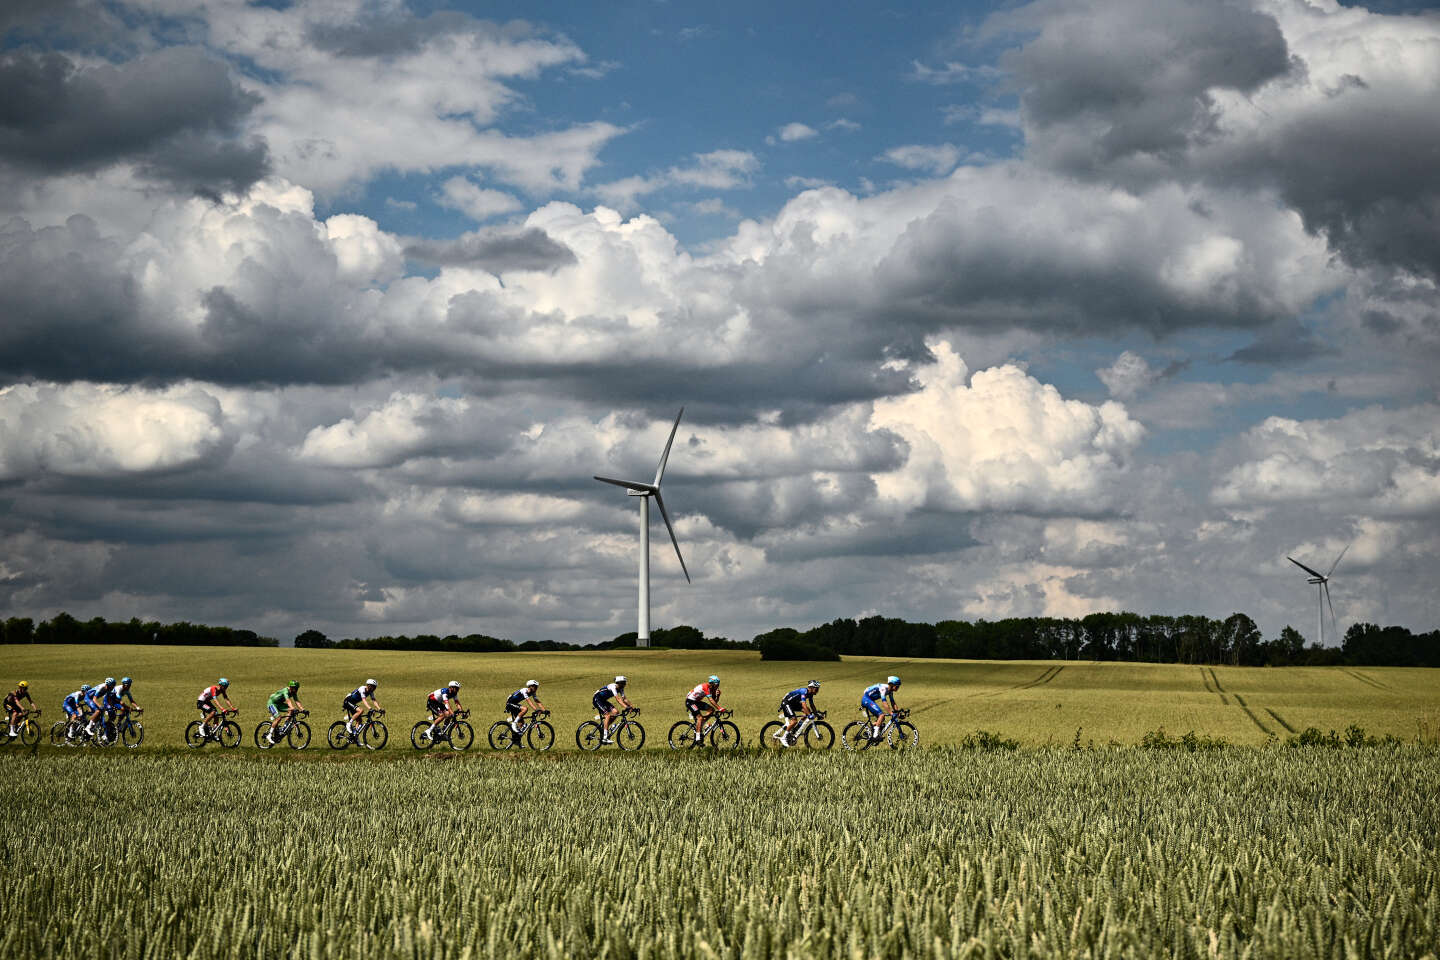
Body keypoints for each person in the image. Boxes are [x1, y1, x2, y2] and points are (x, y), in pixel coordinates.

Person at [778, 680, 821, 746]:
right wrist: (809, 715)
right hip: (787, 703)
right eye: (816, 689)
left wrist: (816, 714)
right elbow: (803, 705)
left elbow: (812, 705)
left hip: (793, 703)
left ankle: (797, 728)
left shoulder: (810, 694)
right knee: (794, 721)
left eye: (818, 689)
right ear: (811, 688)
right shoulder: (804, 691)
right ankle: (783, 738)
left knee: (808, 710)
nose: (817, 691)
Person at [592, 676, 633, 744]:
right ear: (619, 683)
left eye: (625, 683)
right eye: (624, 683)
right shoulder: (613, 687)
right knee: (607, 715)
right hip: (597, 699)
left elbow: (624, 699)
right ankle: (605, 738)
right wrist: (626, 707)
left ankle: (605, 727)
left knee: (616, 712)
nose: (625, 685)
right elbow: (618, 699)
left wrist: (632, 706)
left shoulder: (621, 688)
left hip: (603, 700)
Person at [684, 675, 723, 744]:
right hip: (690, 701)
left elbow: (714, 701)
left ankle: (702, 725)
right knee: (699, 717)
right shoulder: (705, 687)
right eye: (717, 685)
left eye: (718, 685)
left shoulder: (712, 689)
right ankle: (698, 738)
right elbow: (711, 700)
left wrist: (718, 696)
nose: (717, 687)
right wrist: (720, 708)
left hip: (696, 702)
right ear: (712, 684)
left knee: (711, 710)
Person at [861, 676, 902, 740]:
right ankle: (875, 736)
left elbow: (892, 702)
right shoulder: (883, 688)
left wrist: (897, 712)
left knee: (881, 720)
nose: (898, 688)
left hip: (870, 700)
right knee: (881, 715)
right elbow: (884, 702)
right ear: (891, 685)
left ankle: (870, 730)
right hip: (866, 699)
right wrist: (891, 713)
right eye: (897, 686)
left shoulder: (890, 691)